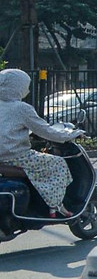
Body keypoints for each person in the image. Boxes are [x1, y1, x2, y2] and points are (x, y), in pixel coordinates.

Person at [0, 69, 85, 217]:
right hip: (16, 157)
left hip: (3, 158)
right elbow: (46, 131)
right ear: (18, 87)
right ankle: (55, 205)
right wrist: (72, 134)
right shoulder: (21, 109)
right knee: (58, 164)